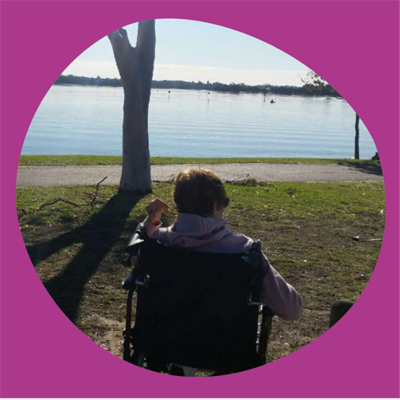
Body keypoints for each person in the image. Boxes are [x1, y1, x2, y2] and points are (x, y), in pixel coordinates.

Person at [140, 167, 302, 321]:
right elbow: (292, 310)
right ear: (217, 205)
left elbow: (133, 256)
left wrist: (149, 224)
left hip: (162, 336)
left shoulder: (156, 243)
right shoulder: (245, 250)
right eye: (225, 202)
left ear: (177, 204)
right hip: (226, 339)